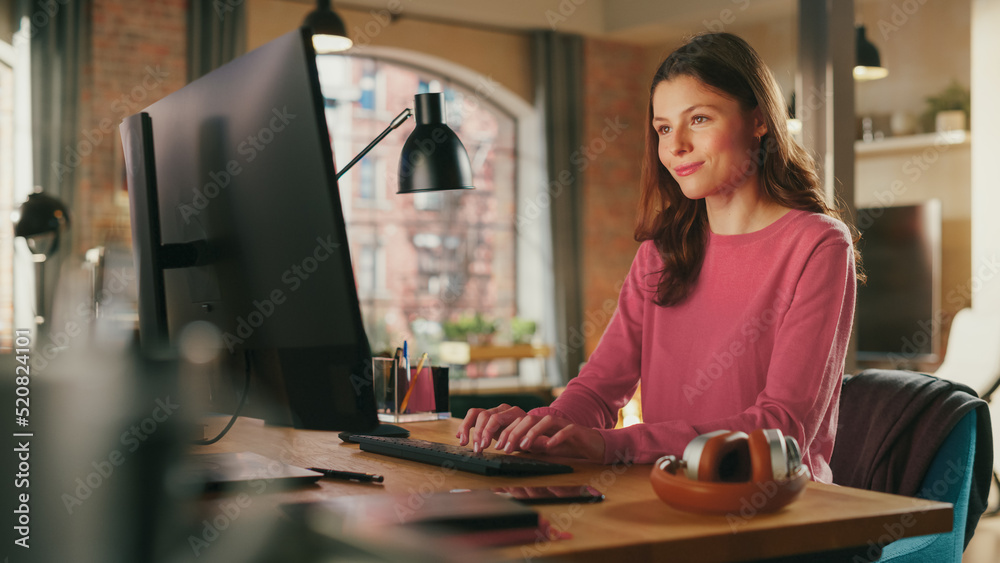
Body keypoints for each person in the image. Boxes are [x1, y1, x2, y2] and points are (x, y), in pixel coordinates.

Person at [456, 32, 860, 484]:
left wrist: (616, 445)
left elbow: (780, 430)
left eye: (700, 119)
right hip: (669, 496)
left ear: (760, 120)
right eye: (664, 128)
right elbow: (598, 389)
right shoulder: (663, 251)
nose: (676, 146)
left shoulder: (818, 245)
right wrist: (543, 427)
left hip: (776, 510)